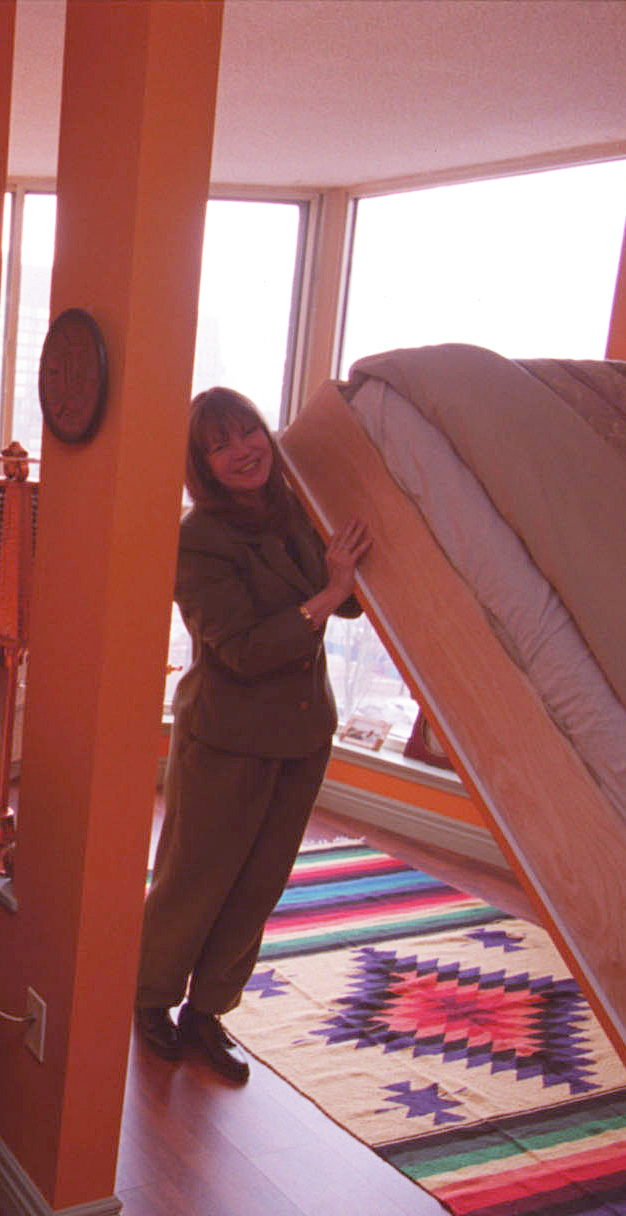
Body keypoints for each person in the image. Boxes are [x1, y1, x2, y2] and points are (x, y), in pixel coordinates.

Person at [134, 387, 370, 1082]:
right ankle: (151, 998)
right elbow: (241, 649)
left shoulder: (298, 508)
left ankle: (208, 1011)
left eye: (248, 433)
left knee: (259, 886)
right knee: (196, 881)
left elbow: (351, 600)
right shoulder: (198, 537)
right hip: (228, 737)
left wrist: (338, 584)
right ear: (203, 464)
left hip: (302, 735)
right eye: (221, 444)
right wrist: (327, 593)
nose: (243, 452)